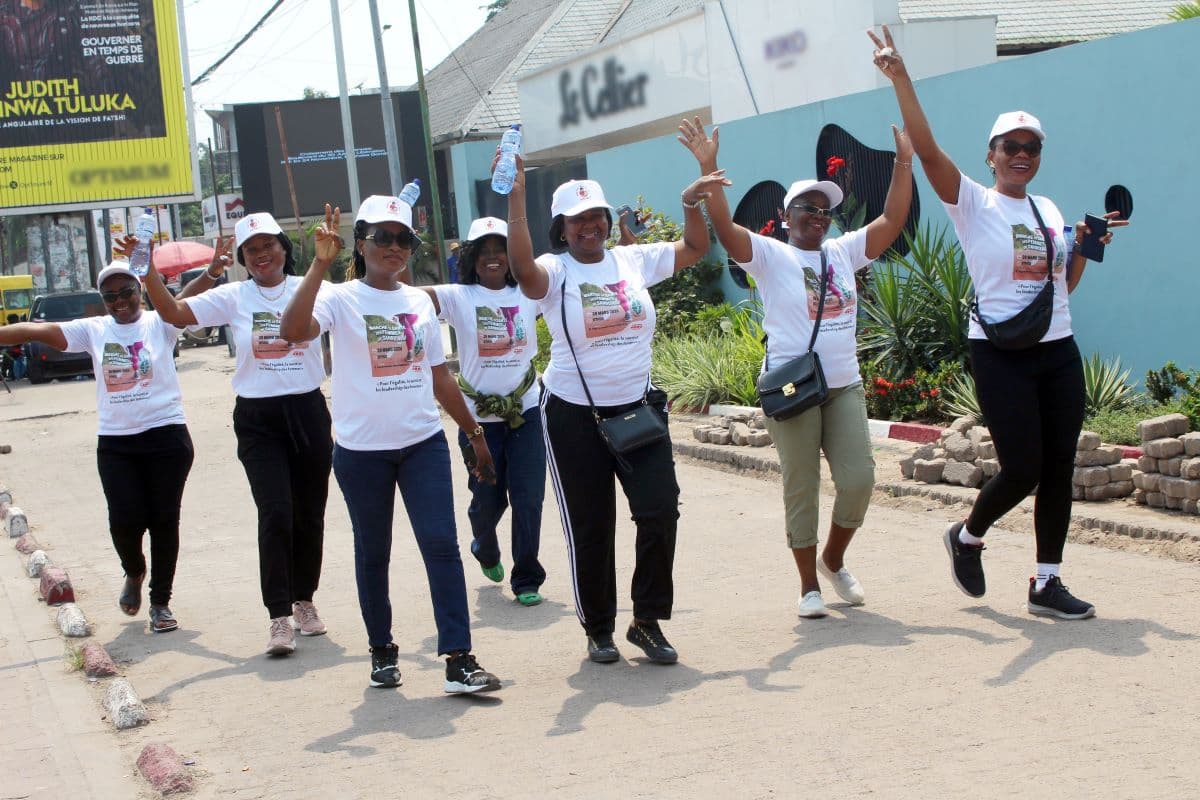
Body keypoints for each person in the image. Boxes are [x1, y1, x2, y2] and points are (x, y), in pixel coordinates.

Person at [870, 25, 1124, 619]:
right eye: (1008, 146)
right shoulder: (973, 204)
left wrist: (1084, 246)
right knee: (1024, 467)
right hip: (1000, 353)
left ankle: (1046, 582)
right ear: (990, 155)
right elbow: (929, 151)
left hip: (1057, 350)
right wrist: (901, 78)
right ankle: (967, 536)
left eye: (1030, 147)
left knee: (1060, 464)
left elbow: (1060, 287)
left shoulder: (1049, 209)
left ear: (1039, 157)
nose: (1019, 155)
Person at [678, 108, 914, 619]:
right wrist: (710, 167)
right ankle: (809, 585)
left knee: (858, 481)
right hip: (792, 387)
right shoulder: (768, 255)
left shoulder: (845, 252)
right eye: (805, 207)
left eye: (824, 208)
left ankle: (833, 558)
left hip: (843, 385)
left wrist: (902, 164)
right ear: (786, 217)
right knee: (801, 484)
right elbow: (722, 224)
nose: (817, 214)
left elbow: (892, 220)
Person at [280, 199, 503, 693]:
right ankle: (382, 651)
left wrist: (474, 433)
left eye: (404, 239)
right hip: (361, 453)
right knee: (373, 550)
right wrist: (318, 263)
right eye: (384, 237)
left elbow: (439, 375)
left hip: (422, 443)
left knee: (442, 547)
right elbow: (292, 331)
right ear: (360, 243)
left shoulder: (419, 302)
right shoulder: (339, 298)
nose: (395, 248)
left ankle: (458, 660)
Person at [503, 154, 711, 665]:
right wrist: (514, 197)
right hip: (574, 414)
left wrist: (689, 203)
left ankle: (646, 621)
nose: (589, 227)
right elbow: (523, 273)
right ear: (562, 228)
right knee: (592, 525)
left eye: (596, 216)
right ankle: (599, 628)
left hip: (638, 409)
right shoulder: (555, 271)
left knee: (660, 509)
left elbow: (696, 247)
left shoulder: (631, 261)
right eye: (577, 220)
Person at [140, 213, 334, 657]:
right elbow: (171, 313)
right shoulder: (233, 297)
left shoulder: (315, 286)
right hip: (258, 419)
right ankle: (279, 617)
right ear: (243, 259)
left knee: (309, 513)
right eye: (252, 250)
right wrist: (145, 269)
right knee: (276, 512)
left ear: (284, 248)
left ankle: (304, 600)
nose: (262, 255)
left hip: (307, 411)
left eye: (269, 245)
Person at [0, 260, 193, 633]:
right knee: (124, 520)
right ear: (102, 299)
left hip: (166, 436)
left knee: (164, 520)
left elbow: (189, 301)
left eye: (127, 292)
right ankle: (134, 572)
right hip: (117, 443)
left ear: (140, 291)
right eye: (110, 296)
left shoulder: (160, 322)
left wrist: (214, 271)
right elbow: (36, 330)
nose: (120, 301)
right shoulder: (94, 330)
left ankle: (160, 603)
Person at [421, 216, 547, 607]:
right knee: (487, 500)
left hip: (526, 413)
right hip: (477, 421)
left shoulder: (530, 293)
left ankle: (527, 577)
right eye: (484, 252)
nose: (493, 258)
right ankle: (484, 544)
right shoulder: (460, 297)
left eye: (500, 251)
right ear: (473, 259)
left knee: (528, 498)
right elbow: (408, 298)